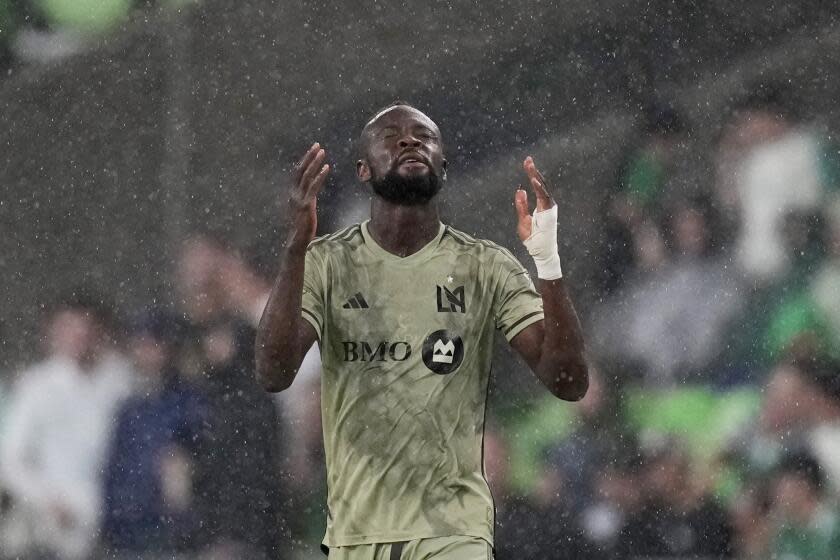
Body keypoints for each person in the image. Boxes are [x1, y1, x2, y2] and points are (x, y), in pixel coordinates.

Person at [255, 101, 589, 559]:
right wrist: (295, 250)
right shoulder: (326, 264)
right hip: (358, 535)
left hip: (453, 533)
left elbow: (569, 382)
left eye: (425, 137)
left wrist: (548, 263)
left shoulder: (486, 266)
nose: (411, 141)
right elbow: (273, 373)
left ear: (443, 168)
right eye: (392, 136)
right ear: (362, 171)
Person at [0, 293, 134, 560]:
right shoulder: (37, 385)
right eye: (69, 329)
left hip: (115, 521)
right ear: (53, 333)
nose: (78, 337)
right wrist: (47, 501)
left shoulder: (122, 381)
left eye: (86, 329)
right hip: (54, 524)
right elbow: (11, 459)